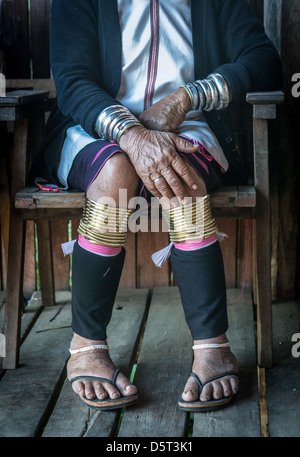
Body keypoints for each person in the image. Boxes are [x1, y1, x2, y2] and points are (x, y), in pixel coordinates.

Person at [29, 0, 283, 412]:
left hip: (188, 127)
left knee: (181, 174)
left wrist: (186, 97)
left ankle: (212, 345)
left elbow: (264, 60)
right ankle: (87, 345)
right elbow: (74, 80)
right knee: (115, 174)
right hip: (93, 127)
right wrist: (129, 133)